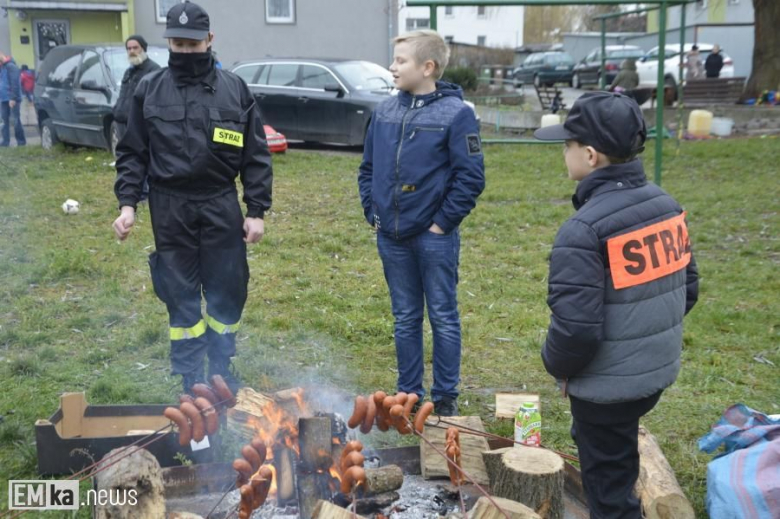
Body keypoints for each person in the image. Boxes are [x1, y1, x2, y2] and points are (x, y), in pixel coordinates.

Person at [534, 91, 699, 519]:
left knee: (608, 494)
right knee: (613, 457)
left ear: (590, 156)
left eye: (567, 145)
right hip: (652, 374)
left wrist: (554, 363)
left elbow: (576, 330)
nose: (564, 152)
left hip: (606, 389)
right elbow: (689, 289)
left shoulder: (583, 230)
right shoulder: (665, 205)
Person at [113, 1, 273, 395]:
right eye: (178, 44)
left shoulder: (235, 89)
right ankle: (190, 378)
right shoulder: (149, 89)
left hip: (220, 201)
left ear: (209, 39)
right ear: (168, 41)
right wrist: (128, 204)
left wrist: (256, 210)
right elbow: (133, 152)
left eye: (193, 44)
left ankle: (220, 368)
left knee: (228, 288)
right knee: (179, 293)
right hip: (170, 206)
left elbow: (255, 154)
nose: (185, 51)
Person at [358, 30, 485, 417]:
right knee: (405, 317)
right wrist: (373, 212)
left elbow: (470, 177)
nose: (392, 67)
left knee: (443, 316)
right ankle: (409, 395)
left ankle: (444, 397)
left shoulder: (456, 114)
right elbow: (367, 169)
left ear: (427, 67)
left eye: (401, 61)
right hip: (391, 236)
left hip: (434, 238)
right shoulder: (384, 112)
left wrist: (442, 224)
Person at [113, 35, 160, 142]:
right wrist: (117, 109)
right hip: (124, 124)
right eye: (129, 49)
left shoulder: (153, 70)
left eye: (135, 48)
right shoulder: (129, 71)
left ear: (143, 48)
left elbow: (155, 101)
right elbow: (123, 95)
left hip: (141, 128)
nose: (132, 51)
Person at [0, 50, 26, 147]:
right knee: (4, 121)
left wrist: (13, 98)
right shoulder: (2, 67)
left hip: (12, 98)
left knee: (15, 120)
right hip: (3, 99)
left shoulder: (11, 66)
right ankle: (5, 142)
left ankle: (21, 142)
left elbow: (15, 83)